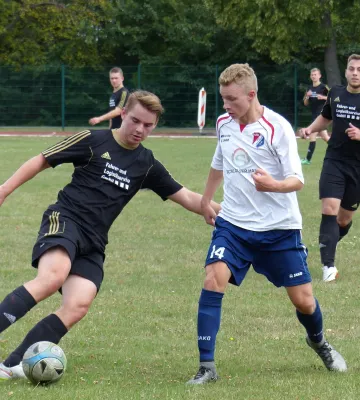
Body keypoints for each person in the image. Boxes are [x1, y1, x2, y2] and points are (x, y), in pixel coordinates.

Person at [0, 90, 220, 380]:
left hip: (94, 241)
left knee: (78, 304)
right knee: (52, 276)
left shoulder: (146, 163)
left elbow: (187, 197)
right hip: (65, 220)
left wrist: (232, 216)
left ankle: (12, 365)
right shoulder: (93, 140)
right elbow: (42, 159)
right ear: (123, 115)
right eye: (136, 121)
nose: (141, 130)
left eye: (149, 125)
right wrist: (3, 190)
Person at [186, 63, 347, 385]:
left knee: (303, 300)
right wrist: (206, 199)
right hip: (233, 225)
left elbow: (296, 181)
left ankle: (318, 341)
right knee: (212, 278)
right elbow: (219, 162)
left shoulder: (278, 128)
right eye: (223, 99)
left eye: (232, 99)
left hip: (279, 229)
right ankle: (207, 367)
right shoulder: (223, 124)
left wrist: (273, 185)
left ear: (251, 94)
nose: (226, 106)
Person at [300, 54, 360, 282]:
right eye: (351, 68)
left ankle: (324, 247)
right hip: (334, 160)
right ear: (346, 72)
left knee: (343, 220)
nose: (355, 73)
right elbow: (325, 117)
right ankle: (328, 267)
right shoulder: (335, 93)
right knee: (329, 208)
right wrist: (309, 129)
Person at [301, 68, 330, 165]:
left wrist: (323, 97)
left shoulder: (324, 87)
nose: (314, 76)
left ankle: (308, 159)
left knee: (312, 135)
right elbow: (305, 103)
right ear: (310, 76)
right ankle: (341, 153)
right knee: (325, 137)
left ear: (319, 76)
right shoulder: (309, 88)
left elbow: (333, 98)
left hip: (321, 115)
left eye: (315, 74)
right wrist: (307, 96)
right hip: (314, 114)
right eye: (312, 75)